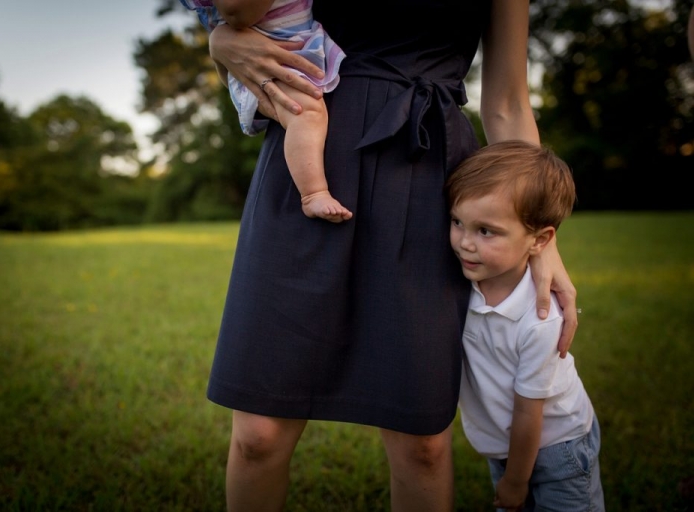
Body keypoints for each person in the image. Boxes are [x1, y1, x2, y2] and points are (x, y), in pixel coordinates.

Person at [200, 1, 580, 510]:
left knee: (421, 443)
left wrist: (542, 241)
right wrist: (218, 42)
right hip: (309, 161)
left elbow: (509, 104)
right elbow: (244, 18)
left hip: (427, 168)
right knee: (258, 434)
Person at [446, 140, 604, 511]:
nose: (465, 243)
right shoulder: (462, 286)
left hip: (559, 447)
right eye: (457, 222)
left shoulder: (540, 319)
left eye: (486, 231)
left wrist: (516, 481)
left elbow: (528, 411)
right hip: (505, 446)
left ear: (540, 240)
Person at [179, 0, 352, 222]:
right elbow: (234, 11)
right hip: (270, 58)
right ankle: (313, 194)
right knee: (306, 111)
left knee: (308, 111)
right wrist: (218, 40)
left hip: (292, 46)